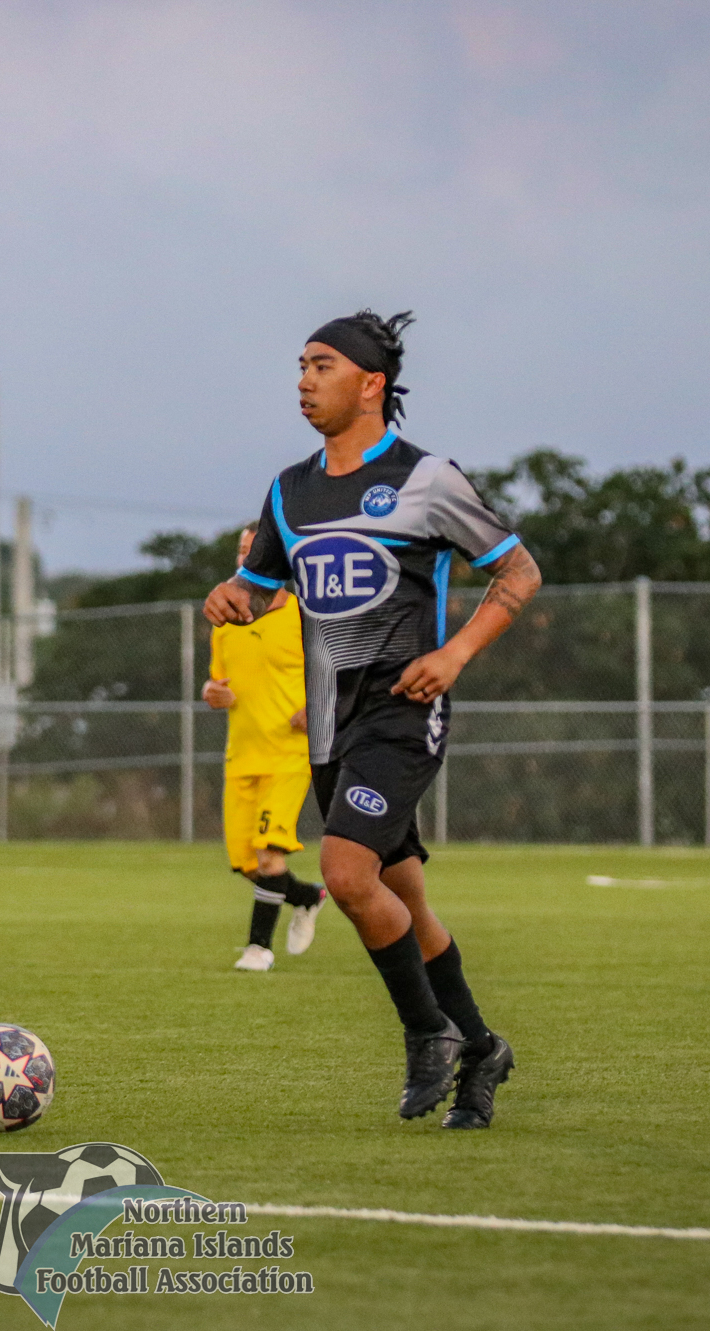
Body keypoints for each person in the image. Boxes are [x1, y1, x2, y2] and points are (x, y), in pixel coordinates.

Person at [203, 310, 543, 1128]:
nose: (302, 380)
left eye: (320, 366)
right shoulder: (290, 489)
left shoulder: (429, 480)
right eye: (299, 366)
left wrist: (454, 655)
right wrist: (234, 597)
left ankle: (428, 1033)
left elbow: (519, 572)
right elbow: (262, 585)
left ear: (370, 383)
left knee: (349, 875)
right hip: (327, 726)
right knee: (406, 900)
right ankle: (482, 1045)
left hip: (401, 713)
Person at [204, 524, 328, 972]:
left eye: (252, 551)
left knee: (269, 853)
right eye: (239, 551)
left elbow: (337, 673)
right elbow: (217, 682)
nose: (244, 560)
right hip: (242, 754)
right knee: (247, 863)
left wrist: (316, 705)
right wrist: (211, 692)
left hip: (290, 754)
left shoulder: (305, 616)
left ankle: (259, 947)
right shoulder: (225, 622)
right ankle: (308, 895)